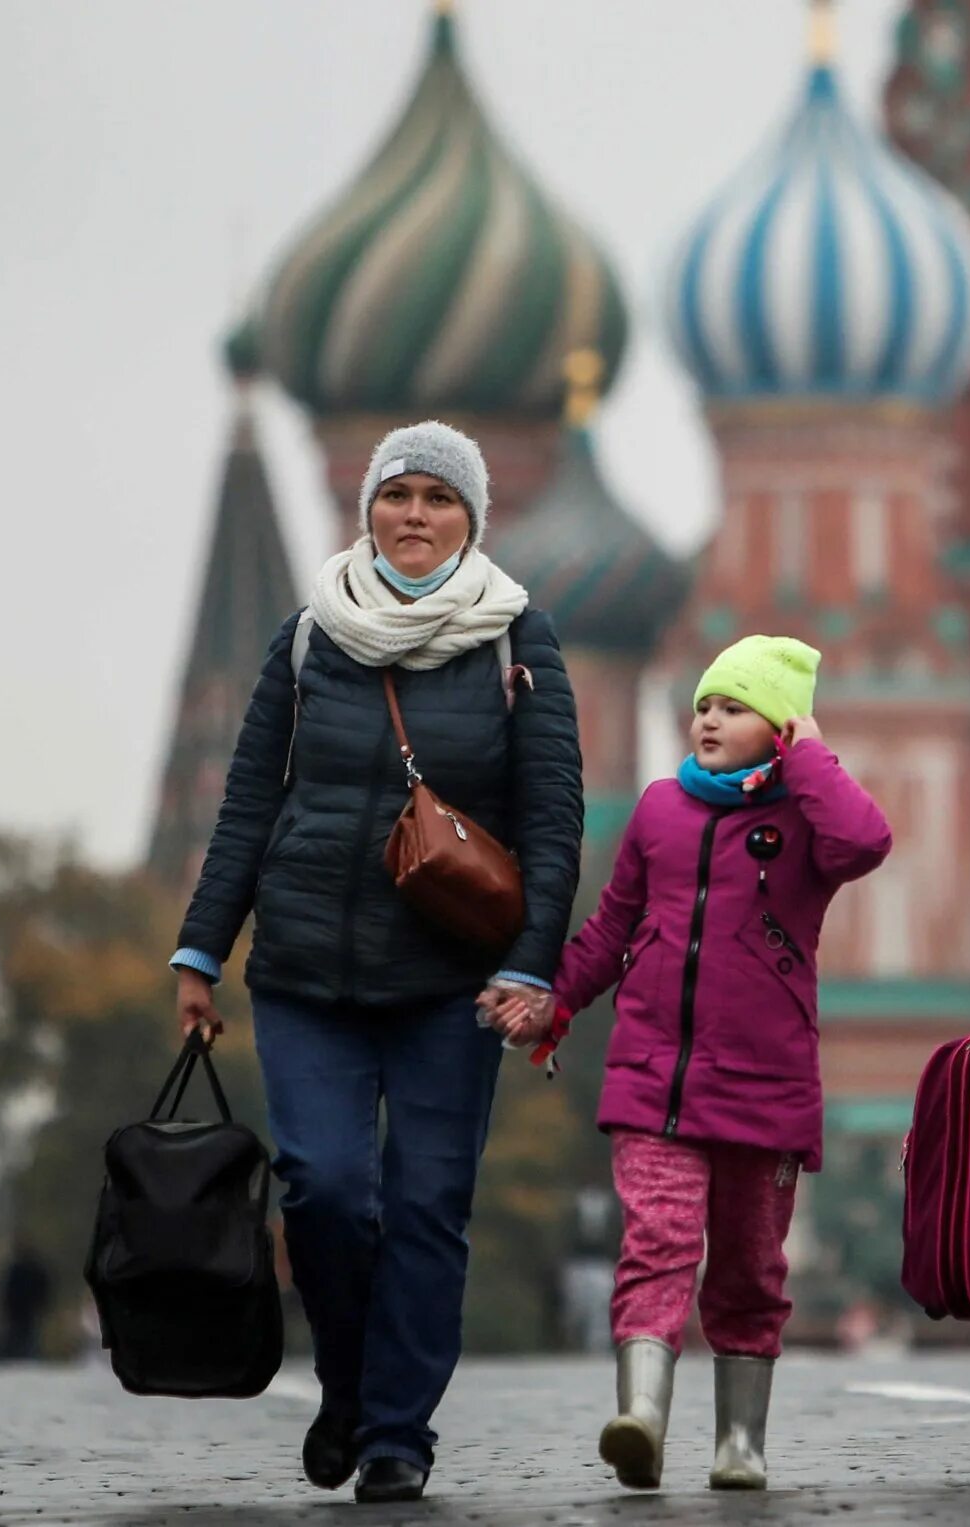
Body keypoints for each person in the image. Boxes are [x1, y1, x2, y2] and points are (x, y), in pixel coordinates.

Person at [171, 421, 583, 1506]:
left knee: (427, 1205)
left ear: (471, 519)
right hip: (309, 968)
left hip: (453, 977)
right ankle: (348, 1387)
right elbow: (247, 799)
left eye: (437, 499)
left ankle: (396, 1431)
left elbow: (552, 821)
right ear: (367, 508)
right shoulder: (310, 637)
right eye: (395, 494)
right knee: (323, 1189)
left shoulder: (515, 641)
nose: (413, 514)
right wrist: (201, 948)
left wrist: (533, 966)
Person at [527, 635, 892, 1493]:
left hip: (766, 1087)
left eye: (734, 706)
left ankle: (739, 1442)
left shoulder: (807, 822)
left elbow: (866, 839)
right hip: (656, 1076)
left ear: (781, 727)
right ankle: (642, 1417)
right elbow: (612, 929)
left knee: (748, 1267)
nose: (708, 719)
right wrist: (556, 1000)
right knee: (656, 1240)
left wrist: (810, 757)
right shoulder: (658, 809)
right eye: (703, 704)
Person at [0, 1242, 52, 1361]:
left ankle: (26, 1356)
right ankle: (22, 1356)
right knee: (22, 1335)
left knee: (28, 1335)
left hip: (27, 1310)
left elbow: (43, 1287)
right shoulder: (18, 1270)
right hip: (20, 1310)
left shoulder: (22, 1270)